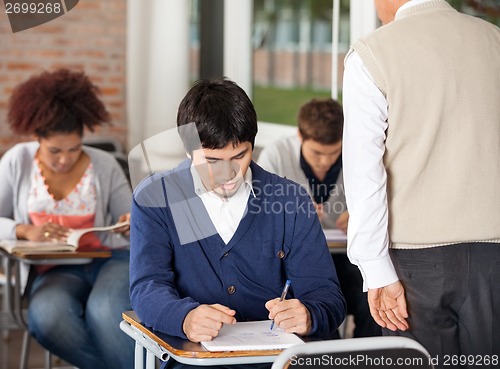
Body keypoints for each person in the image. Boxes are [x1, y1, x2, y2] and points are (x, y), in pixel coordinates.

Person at [129, 77, 346, 369]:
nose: (228, 174)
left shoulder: (291, 200)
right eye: (212, 160)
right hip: (195, 360)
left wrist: (310, 314)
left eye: (240, 156)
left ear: (252, 147)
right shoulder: (157, 197)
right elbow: (147, 286)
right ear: (187, 150)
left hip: (280, 361)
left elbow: (326, 295)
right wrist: (185, 317)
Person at [342, 0, 500, 364]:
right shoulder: (493, 40)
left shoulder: (372, 54)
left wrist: (375, 269)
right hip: (494, 256)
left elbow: (365, 173)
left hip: (415, 263)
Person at [0, 68, 134, 369]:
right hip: (53, 271)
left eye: (74, 149)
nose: (65, 159)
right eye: (55, 151)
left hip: (111, 259)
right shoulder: (17, 161)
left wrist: (129, 223)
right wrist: (22, 230)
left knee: (106, 310)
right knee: (48, 318)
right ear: (37, 137)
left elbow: (133, 221)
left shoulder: (105, 164)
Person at [258, 98, 381, 338]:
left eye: (334, 153)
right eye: (317, 153)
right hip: (297, 262)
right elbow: (260, 216)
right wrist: (294, 216)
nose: (325, 162)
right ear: (300, 137)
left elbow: (379, 205)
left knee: (371, 301)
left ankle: (365, 359)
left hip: (348, 258)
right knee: (310, 310)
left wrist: (361, 216)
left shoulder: (359, 158)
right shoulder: (275, 155)